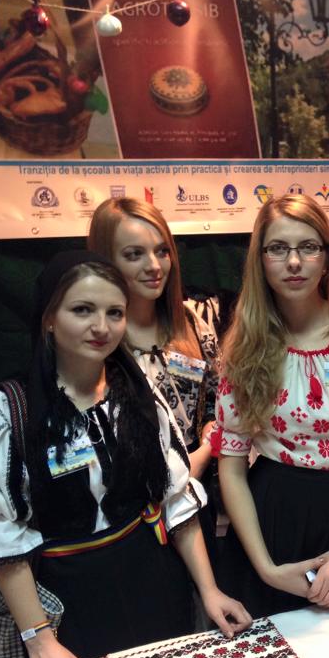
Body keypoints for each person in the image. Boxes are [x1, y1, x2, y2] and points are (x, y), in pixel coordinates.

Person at [0, 251, 251, 658]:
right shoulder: (11, 410)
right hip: (67, 599)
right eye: (82, 310)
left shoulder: (138, 396)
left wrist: (209, 590)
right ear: (49, 319)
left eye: (114, 313)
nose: (101, 326)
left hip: (153, 578)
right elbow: (1, 534)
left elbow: (175, 500)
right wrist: (39, 640)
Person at [215, 194, 329, 618]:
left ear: (327, 256)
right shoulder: (245, 344)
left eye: (308, 247)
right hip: (271, 519)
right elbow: (231, 467)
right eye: (278, 248)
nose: (294, 262)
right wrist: (266, 569)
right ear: (260, 260)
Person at [87, 197, 226, 567]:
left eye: (162, 251)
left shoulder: (192, 321)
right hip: (132, 512)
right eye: (134, 254)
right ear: (106, 260)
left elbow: (219, 403)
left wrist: (203, 446)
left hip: (197, 498)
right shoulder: (97, 337)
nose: (154, 266)